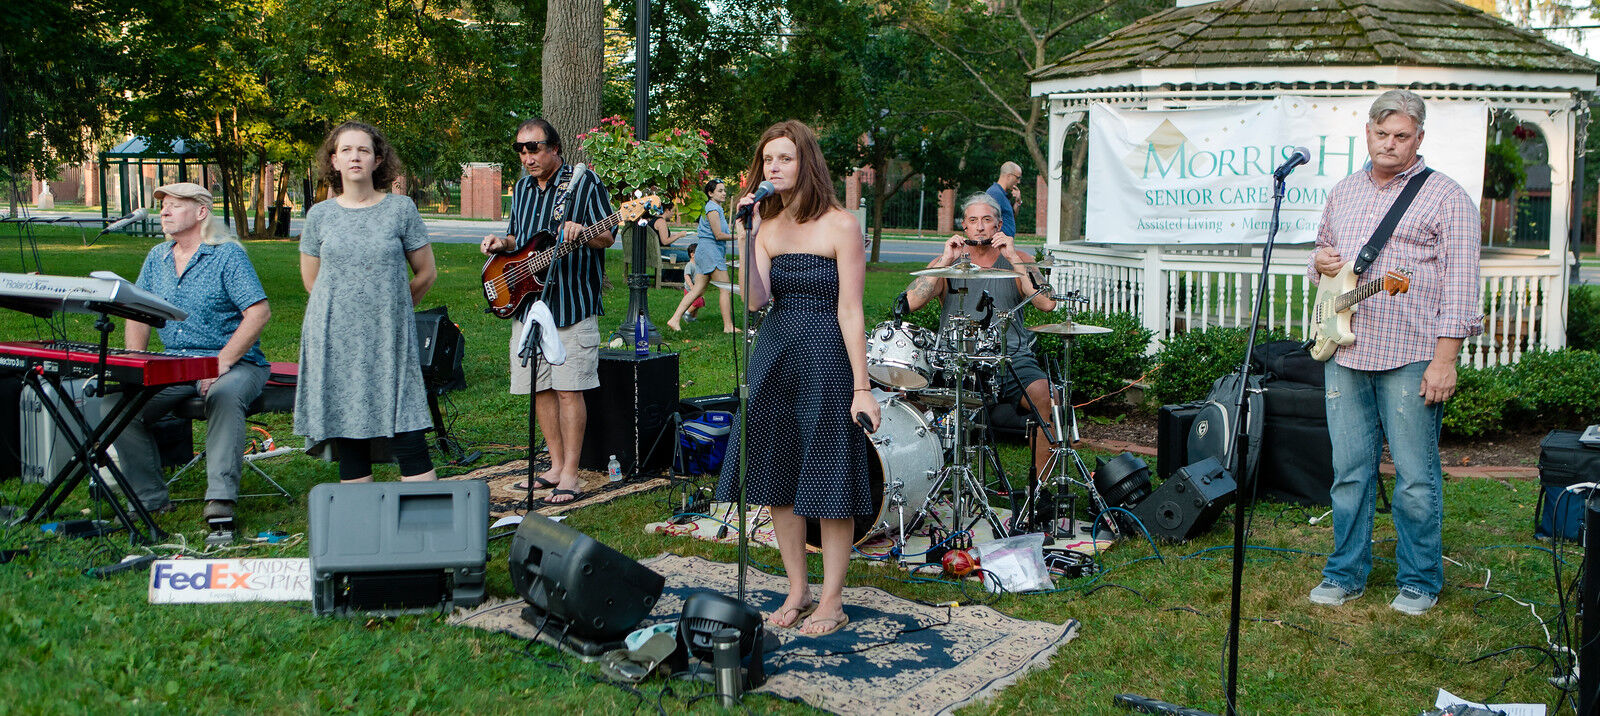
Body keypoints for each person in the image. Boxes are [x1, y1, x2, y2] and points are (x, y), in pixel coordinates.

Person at [1305, 89, 1482, 616]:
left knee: (1414, 477)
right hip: (1345, 353)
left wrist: (1445, 360)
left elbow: (1461, 285)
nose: (1389, 144)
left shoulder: (1447, 197)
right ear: (1367, 133)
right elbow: (1322, 262)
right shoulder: (1343, 191)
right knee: (1349, 472)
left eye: (1401, 136)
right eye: (1381, 134)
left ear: (1419, 138)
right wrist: (1320, 260)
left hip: (1411, 354)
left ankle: (1420, 580)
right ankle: (1344, 573)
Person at [715, 120, 878, 637]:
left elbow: (851, 310)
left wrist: (862, 387)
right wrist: (745, 238)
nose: (774, 167)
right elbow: (755, 300)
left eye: (784, 158)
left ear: (807, 162)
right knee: (777, 477)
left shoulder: (841, 225)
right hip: (776, 356)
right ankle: (797, 589)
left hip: (826, 360)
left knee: (829, 478)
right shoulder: (764, 225)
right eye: (768, 160)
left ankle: (832, 599)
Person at [115, 182, 271, 526]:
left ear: (201, 212)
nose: (164, 212)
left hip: (236, 362)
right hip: (177, 363)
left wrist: (220, 363)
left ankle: (220, 499)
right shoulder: (157, 257)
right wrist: (134, 363)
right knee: (119, 407)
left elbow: (258, 313)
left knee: (223, 394)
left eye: (175, 205)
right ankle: (149, 499)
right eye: (163, 206)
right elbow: (137, 313)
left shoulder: (227, 255)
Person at [296, 121, 439, 484]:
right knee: (349, 426)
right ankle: (360, 515)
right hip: (334, 339)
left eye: (363, 150)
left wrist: (392, 308)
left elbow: (426, 273)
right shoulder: (319, 216)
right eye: (346, 150)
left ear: (378, 160)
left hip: (388, 336)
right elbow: (313, 283)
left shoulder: (401, 209)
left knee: (407, 425)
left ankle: (425, 513)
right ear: (334, 161)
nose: (355, 157)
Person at [479, 118, 613, 504]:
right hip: (528, 305)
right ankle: (554, 466)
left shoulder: (583, 182)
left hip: (571, 303)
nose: (527, 157)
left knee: (569, 390)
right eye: (521, 150)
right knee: (539, 389)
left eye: (534, 148)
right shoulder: (522, 188)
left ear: (555, 148)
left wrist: (581, 232)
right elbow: (517, 238)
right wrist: (500, 244)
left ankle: (571, 473)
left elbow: (608, 235)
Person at [904, 193, 1059, 478]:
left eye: (987, 220)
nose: (979, 226)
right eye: (973, 220)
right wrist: (945, 260)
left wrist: (1013, 257)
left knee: (1049, 398)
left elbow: (1046, 303)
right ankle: (921, 480)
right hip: (956, 361)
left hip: (1010, 358)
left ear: (998, 225)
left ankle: (1039, 493)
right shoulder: (947, 262)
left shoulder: (1020, 260)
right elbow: (911, 302)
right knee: (909, 401)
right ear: (964, 226)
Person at [667, 178, 737, 333]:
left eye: (724, 190)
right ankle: (728, 326)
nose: (724, 193)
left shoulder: (715, 208)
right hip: (710, 253)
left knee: (698, 289)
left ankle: (674, 319)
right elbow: (718, 235)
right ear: (710, 193)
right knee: (725, 289)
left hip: (706, 252)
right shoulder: (712, 209)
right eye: (720, 191)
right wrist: (739, 237)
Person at [986, 161, 1023, 238]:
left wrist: (1018, 202)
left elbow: (1011, 218)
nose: (1019, 182)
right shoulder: (994, 193)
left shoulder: (1002, 194)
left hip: (1006, 242)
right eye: (1017, 178)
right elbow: (987, 221)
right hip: (998, 243)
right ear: (1009, 176)